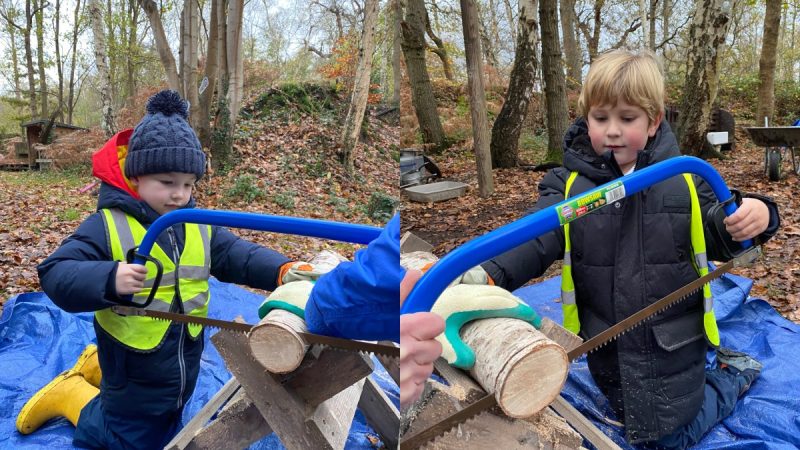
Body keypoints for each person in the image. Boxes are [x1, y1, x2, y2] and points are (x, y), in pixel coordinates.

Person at [459, 50, 778, 448]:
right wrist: (483, 272)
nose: (612, 131)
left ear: (653, 122)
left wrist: (759, 215)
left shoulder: (684, 180)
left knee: (669, 440)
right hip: (606, 345)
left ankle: (732, 377)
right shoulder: (569, 186)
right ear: (585, 118)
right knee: (629, 415)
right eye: (600, 118)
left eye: (627, 119)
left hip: (672, 348)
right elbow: (534, 237)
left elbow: (724, 230)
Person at [17, 90, 317, 449]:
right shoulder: (108, 225)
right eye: (167, 182)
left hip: (181, 361)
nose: (180, 194)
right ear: (136, 178)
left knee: (164, 423)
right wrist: (110, 278)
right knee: (123, 438)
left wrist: (282, 269)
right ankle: (71, 394)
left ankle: (95, 369)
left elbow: (238, 254)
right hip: (132, 366)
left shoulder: (196, 224)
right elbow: (56, 272)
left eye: (188, 184)